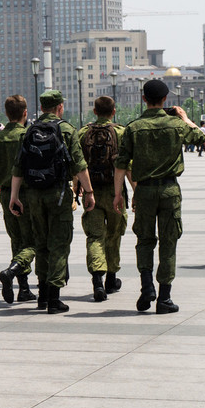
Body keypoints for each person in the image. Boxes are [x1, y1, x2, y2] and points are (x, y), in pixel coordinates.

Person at [113, 80, 205, 314]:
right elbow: (200, 137)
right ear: (165, 99)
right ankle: (164, 297)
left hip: (144, 191)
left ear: (144, 99)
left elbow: (121, 164)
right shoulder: (176, 124)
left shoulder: (134, 128)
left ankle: (147, 287)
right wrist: (184, 117)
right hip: (169, 190)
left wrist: (118, 194)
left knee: (144, 240)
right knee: (168, 242)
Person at [9, 90, 95, 314]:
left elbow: (18, 167)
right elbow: (79, 165)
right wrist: (88, 192)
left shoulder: (29, 130)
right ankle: (54, 298)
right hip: (58, 194)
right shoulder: (66, 129)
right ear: (60, 107)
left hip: (33, 195)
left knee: (41, 243)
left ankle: (43, 295)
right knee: (59, 244)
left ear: (42, 107)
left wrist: (14, 197)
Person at [77, 96, 135, 301]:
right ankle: (111, 278)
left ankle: (97, 280)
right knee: (114, 234)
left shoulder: (83, 133)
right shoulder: (120, 132)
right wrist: (135, 191)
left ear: (94, 111)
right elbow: (127, 166)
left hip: (91, 192)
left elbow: (78, 165)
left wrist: (78, 190)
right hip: (115, 192)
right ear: (114, 112)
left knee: (95, 237)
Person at [0, 95, 36, 304]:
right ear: (25, 113)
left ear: (6, 114)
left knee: (16, 240)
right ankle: (12, 271)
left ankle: (23, 287)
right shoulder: (28, 136)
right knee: (33, 241)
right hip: (27, 194)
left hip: (5, 195)